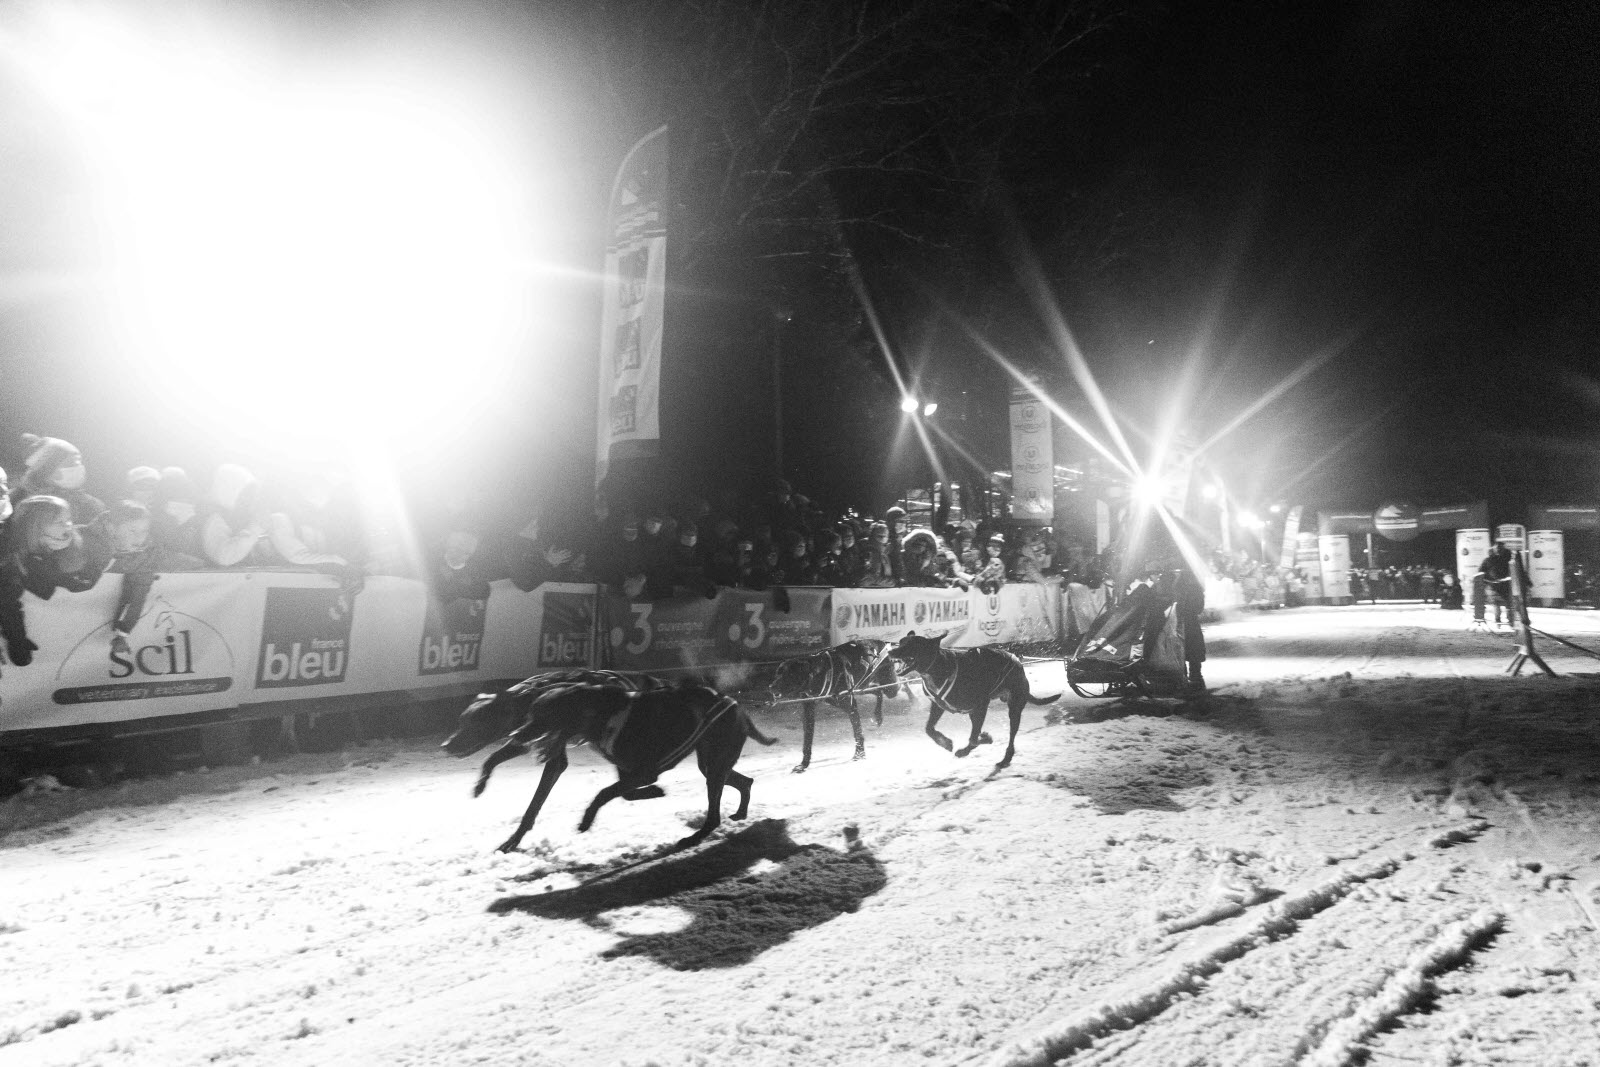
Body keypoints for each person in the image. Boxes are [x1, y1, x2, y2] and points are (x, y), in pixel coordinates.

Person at [102, 500, 205, 656]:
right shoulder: (96, 545)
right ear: (112, 528)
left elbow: (136, 600)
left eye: (144, 531)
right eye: (132, 531)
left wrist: (123, 633)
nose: (139, 538)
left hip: (156, 565)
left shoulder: (148, 557)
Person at [5, 494, 112, 601]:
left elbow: (84, 582)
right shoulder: (15, 555)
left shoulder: (83, 541)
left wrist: (65, 550)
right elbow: (45, 592)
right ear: (35, 527)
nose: (68, 525)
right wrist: (44, 560)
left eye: (68, 519)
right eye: (59, 521)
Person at [11, 434, 106, 526]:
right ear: (49, 471)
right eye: (72, 464)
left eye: (79, 463)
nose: (80, 468)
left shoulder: (90, 505)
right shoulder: (17, 503)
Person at [0, 467, 37, 673]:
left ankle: (17, 643)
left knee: (9, 602)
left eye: (2, 489)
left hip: (9, 583)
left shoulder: (12, 519)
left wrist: (17, 638)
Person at [200, 464, 272, 567]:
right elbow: (224, 557)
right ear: (230, 492)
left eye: (253, 495)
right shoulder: (214, 520)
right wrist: (257, 527)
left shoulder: (238, 517)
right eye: (246, 494)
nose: (251, 500)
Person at [1479, 541, 1515, 628]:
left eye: (1500, 548)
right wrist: (1487, 581)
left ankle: (1507, 621)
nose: (1499, 549)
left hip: (1503, 585)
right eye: (1497, 547)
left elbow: (1481, 572)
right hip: (1495, 586)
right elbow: (1481, 572)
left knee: (1505, 604)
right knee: (1499, 604)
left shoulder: (1507, 559)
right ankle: (1502, 621)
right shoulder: (1490, 560)